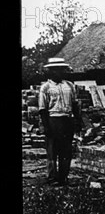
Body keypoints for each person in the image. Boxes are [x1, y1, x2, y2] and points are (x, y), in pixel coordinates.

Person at [38, 57, 81, 186]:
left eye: (61, 70)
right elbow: (42, 109)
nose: (59, 72)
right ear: (51, 71)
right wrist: (46, 126)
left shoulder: (69, 85)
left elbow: (74, 105)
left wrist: (77, 121)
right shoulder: (45, 87)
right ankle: (52, 177)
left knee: (66, 151)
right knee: (52, 151)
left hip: (67, 120)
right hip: (53, 119)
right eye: (56, 70)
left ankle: (63, 177)